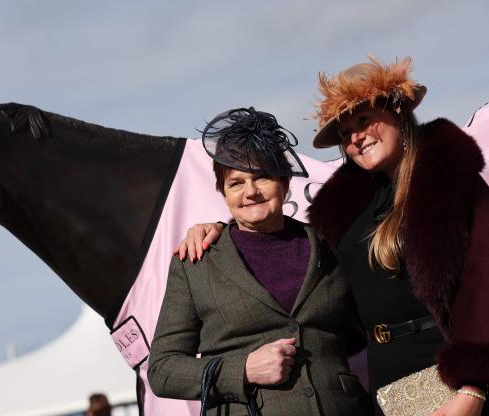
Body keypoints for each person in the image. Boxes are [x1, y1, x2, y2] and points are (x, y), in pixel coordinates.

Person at [176, 57, 489, 415]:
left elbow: (484, 283)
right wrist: (221, 231)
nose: (355, 137)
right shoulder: (348, 211)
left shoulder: (449, 179)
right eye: (344, 132)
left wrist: (473, 388)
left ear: (398, 111)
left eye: (363, 119)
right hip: (390, 389)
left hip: (454, 382)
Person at [148, 107, 372, 415]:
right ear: (223, 193)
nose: (250, 192)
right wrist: (243, 370)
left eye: (261, 177)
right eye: (236, 183)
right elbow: (162, 370)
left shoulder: (329, 245)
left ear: (283, 183)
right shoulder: (196, 261)